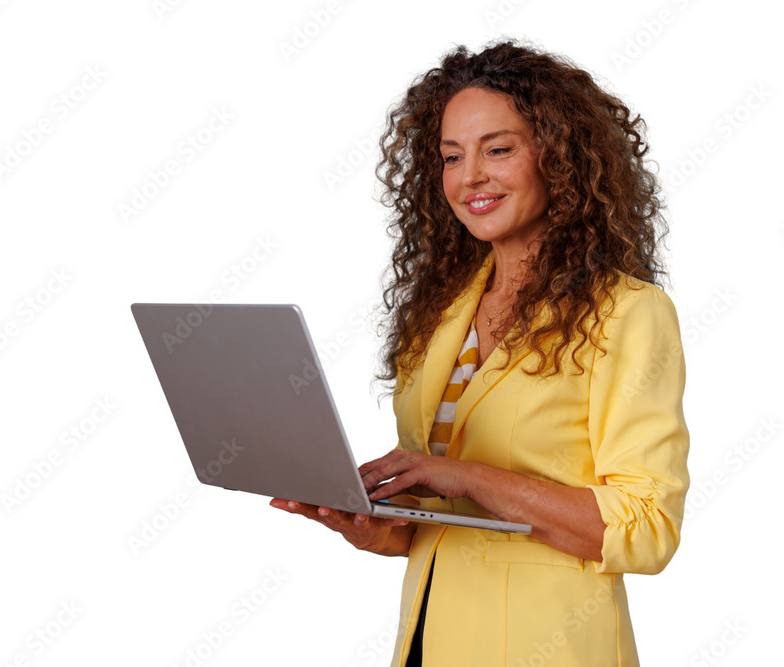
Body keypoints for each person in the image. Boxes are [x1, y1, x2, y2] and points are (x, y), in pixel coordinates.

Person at [270, 39, 690, 667]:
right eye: (450, 156)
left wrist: (465, 474)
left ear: (560, 158)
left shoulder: (627, 313)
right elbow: (435, 524)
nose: (470, 178)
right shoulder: (440, 314)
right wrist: (370, 523)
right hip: (428, 642)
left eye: (498, 149)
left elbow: (646, 527)